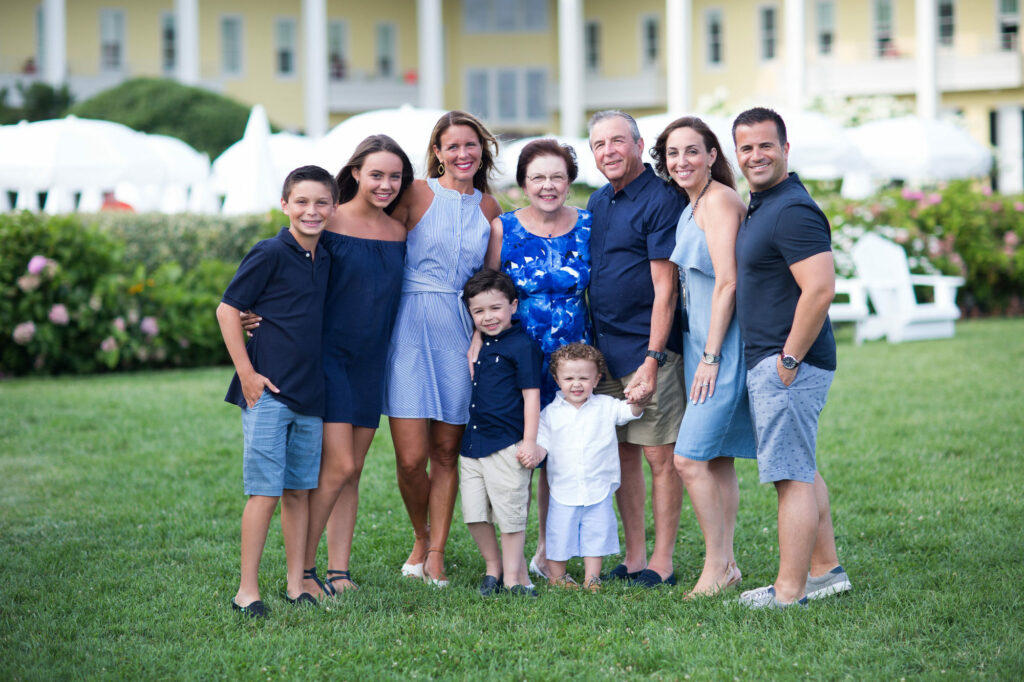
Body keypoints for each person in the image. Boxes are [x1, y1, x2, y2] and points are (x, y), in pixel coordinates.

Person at [730, 107, 852, 609]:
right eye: (746, 147)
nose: (756, 155)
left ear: (785, 148)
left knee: (790, 477)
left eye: (765, 145)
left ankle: (789, 591)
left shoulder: (793, 209)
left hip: (789, 363)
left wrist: (787, 360)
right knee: (800, 466)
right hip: (778, 359)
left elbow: (820, 289)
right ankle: (826, 571)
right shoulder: (765, 203)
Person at [384, 111, 503, 587]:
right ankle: (419, 533)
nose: (462, 154)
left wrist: (484, 336)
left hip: (460, 330)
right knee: (411, 457)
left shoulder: (489, 207)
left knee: (447, 451)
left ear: (482, 150)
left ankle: (436, 552)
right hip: (408, 326)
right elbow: (371, 242)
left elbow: (489, 282)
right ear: (437, 152)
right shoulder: (413, 191)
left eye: (470, 145)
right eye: (452, 146)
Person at [216, 165, 338, 617]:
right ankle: (247, 590)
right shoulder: (269, 251)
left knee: (299, 490)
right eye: (301, 201)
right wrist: (247, 375)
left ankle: (295, 582)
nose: (312, 210)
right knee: (264, 491)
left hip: (311, 392)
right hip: (267, 390)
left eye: (321, 202)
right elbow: (228, 311)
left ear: (334, 207)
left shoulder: (324, 257)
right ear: (284, 204)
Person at [299, 136, 413, 597]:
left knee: (355, 468)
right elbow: (289, 271)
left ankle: (338, 569)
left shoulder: (399, 232)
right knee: (338, 465)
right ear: (355, 174)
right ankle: (302, 568)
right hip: (329, 357)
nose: (386, 184)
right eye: (376, 174)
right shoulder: (327, 220)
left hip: (373, 361)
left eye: (394, 177)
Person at [650, 117, 757, 598]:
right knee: (716, 461)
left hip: (721, 345)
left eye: (692, 151)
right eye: (673, 154)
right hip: (700, 343)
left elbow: (728, 281)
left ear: (713, 155)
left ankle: (717, 567)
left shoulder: (718, 201)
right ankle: (727, 563)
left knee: (689, 460)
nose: (681, 162)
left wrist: (713, 357)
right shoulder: (691, 206)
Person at [586, 110, 688, 587]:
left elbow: (665, 289)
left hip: (650, 351)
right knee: (623, 455)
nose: (609, 151)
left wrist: (652, 360)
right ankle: (633, 557)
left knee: (658, 457)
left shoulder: (661, 198)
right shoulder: (599, 200)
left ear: (638, 144)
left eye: (617, 141)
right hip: (603, 352)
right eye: (599, 144)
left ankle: (662, 562)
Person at [490, 138, 593, 582]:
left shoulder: (590, 225)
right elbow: (489, 292)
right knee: (520, 455)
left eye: (556, 176)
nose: (547, 186)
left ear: (569, 182)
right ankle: (512, 561)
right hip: (518, 355)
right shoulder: (503, 228)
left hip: (574, 358)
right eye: (538, 177)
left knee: (563, 457)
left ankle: (550, 553)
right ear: (523, 184)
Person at [459, 269, 544, 597]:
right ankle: (492, 567)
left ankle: (513, 577)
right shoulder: (479, 345)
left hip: (507, 445)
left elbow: (531, 396)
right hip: (473, 444)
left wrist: (530, 440)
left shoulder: (521, 346)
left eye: (495, 308)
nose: (488, 317)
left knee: (510, 516)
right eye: (478, 311)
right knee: (474, 513)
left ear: (513, 305)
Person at [537, 343, 643, 591]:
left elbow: (629, 412)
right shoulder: (550, 414)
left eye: (584, 378)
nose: (577, 384)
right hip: (564, 488)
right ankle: (558, 575)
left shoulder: (606, 406)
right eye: (569, 378)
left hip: (599, 485)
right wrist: (532, 452)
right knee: (559, 533)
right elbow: (541, 443)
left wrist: (639, 400)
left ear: (596, 379)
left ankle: (591, 577)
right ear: (557, 379)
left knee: (597, 533)